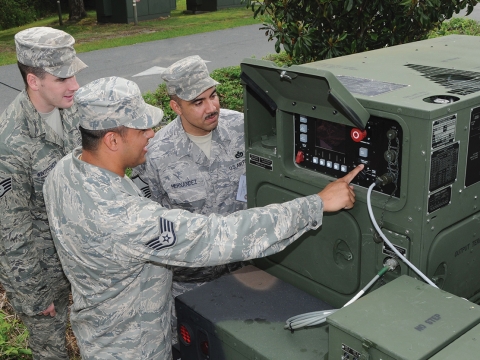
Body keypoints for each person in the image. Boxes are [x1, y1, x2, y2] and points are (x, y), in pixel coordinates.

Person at [43, 76, 363, 360]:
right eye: (142, 129)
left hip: (98, 334)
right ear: (112, 140)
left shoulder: (64, 172)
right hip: (133, 347)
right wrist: (316, 204)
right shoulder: (123, 218)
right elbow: (216, 236)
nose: (152, 134)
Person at [132, 55, 246, 344]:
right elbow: (154, 219)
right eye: (198, 102)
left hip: (244, 273)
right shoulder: (156, 154)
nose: (212, 107)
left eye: (213, 95)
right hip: (189, 284)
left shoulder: (242, 129)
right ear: (175, 106)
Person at [0, 27, 87, 359]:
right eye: (63, 78)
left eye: (74, 74)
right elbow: (11, 232)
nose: (75, 85)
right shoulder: (10, 142)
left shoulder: (75, 111)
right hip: (43, 269)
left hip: (81, 256)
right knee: (51, 351)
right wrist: (33, 296)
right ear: (34, 81)